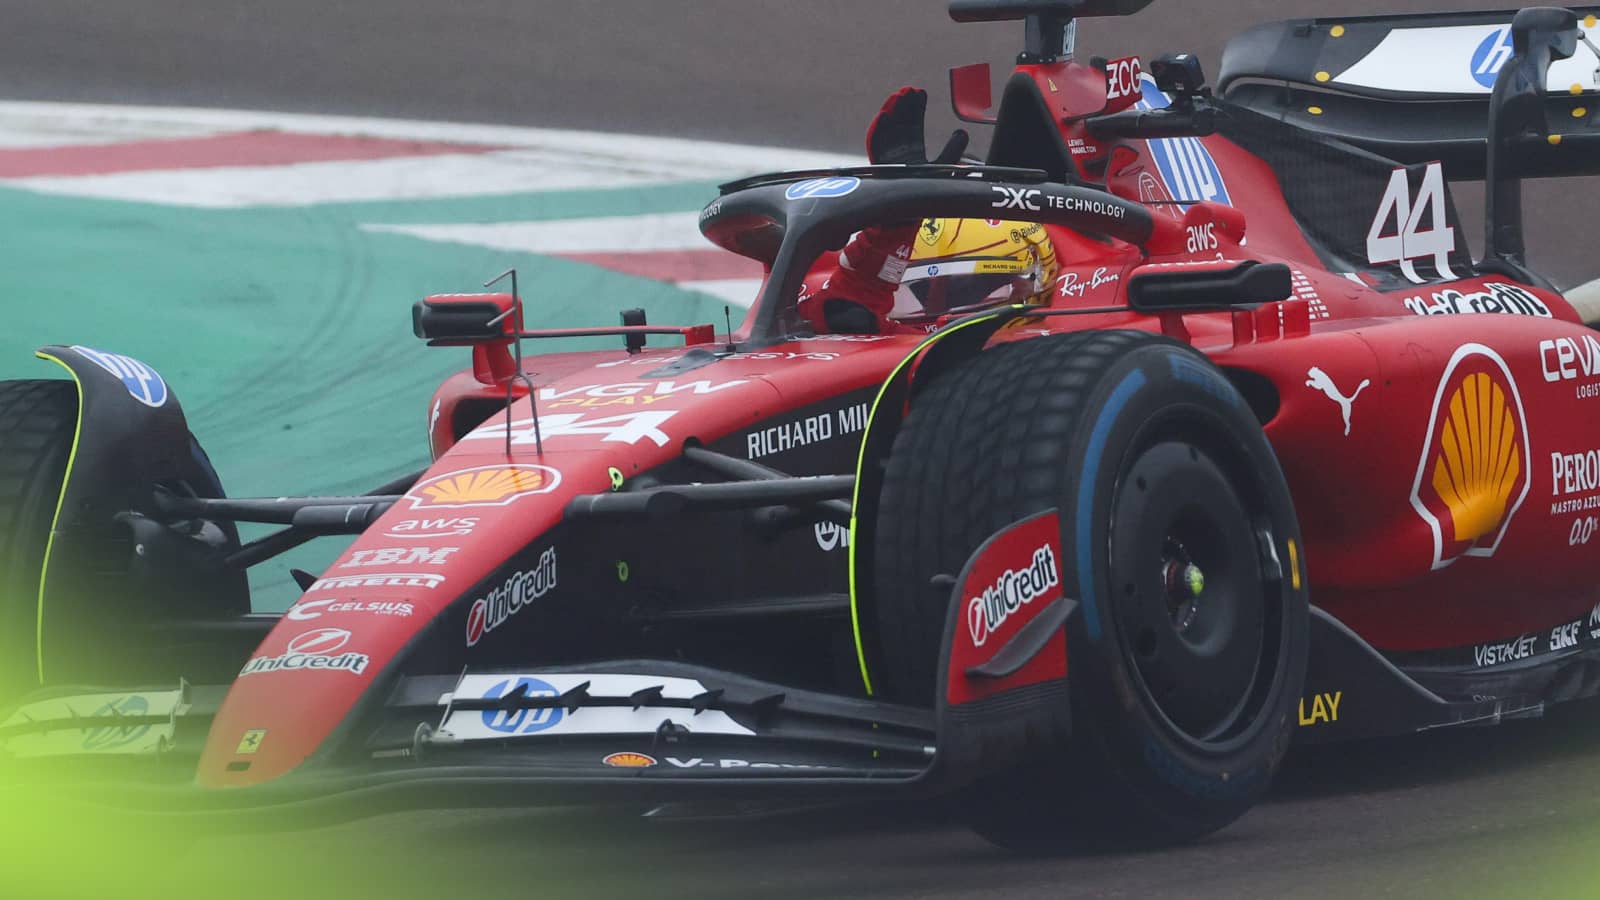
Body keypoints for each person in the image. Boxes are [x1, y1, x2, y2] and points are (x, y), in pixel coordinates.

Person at [797, 87, 1060, 335]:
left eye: (967, 292)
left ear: (1030, 282)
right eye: (919, 291)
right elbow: (845, 315)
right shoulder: (891, 343)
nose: (937, 315)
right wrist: (895, 225)